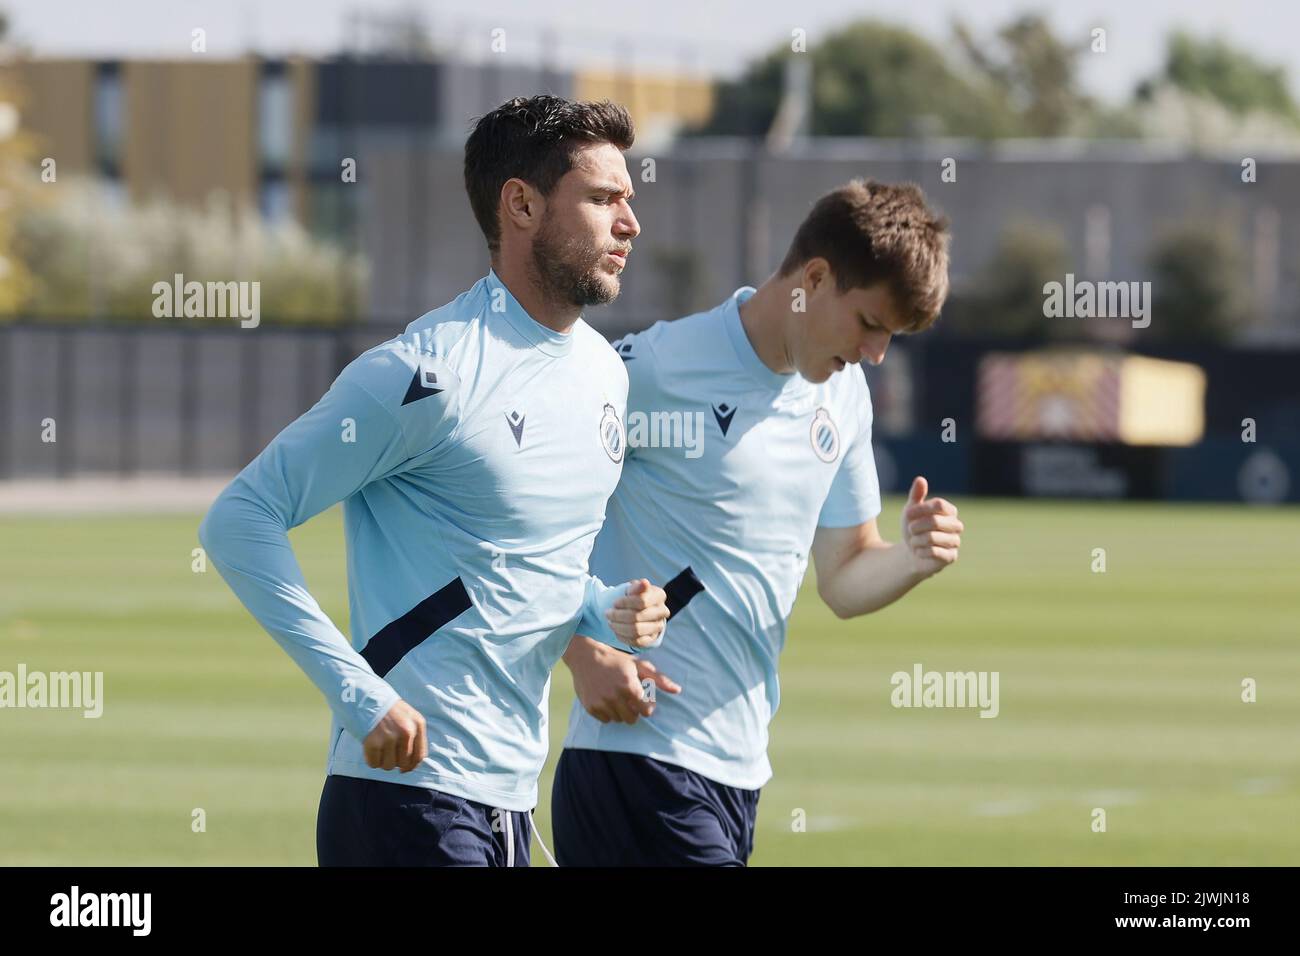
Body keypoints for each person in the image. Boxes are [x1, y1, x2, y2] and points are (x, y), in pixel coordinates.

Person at [199, 95, 669, 867]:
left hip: (512, 800)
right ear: (520, 204)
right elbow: (239, 518)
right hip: (404, 803)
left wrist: (603, 609)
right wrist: (361, 696)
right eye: (603, 198)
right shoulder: (426, 374)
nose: (630, 223)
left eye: (630, 200)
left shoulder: (601, 374)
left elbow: (520, 566)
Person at [551, 179, 962, 866]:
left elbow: (845, 572)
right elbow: (519, 521)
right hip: (635, 761)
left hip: (738, 774)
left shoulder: (844, 397)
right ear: (816, 278)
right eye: (870, 324)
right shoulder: (653, 369)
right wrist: (582, 650)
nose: (876, 354)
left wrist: (912, 557)